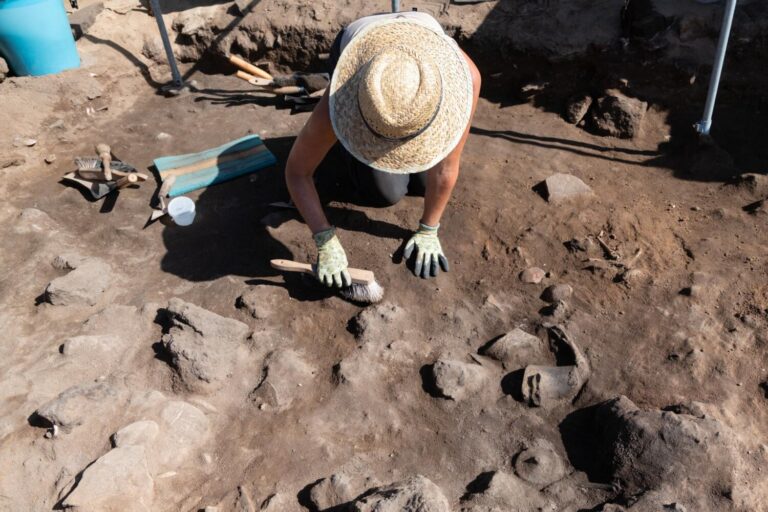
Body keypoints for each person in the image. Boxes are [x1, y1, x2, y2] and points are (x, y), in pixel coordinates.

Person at [285, 11, 481, 287]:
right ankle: (344, 149)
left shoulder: (464, 80)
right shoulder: (345, 96)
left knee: (427, 182)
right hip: (356, 44)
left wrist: (429, 228)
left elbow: (447, 166)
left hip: (416, 52)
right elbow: (296, 173)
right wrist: (323, 238)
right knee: (386, 192)